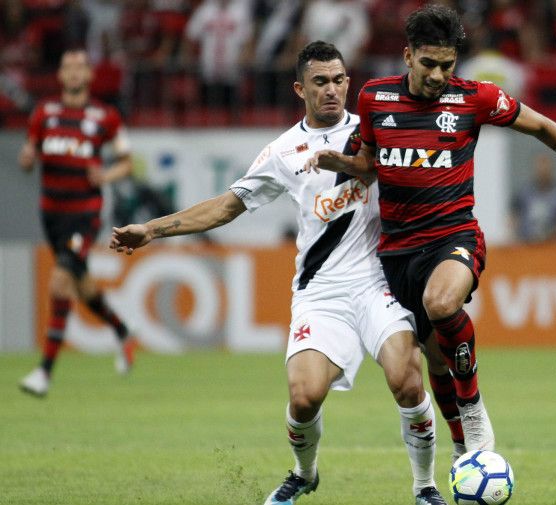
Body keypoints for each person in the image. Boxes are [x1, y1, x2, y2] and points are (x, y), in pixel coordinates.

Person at [109, 41, 447, 505]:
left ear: (350, 81)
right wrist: (151, 229)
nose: (332, 90)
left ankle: (425, 487)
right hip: (321, 292)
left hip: (378, 284)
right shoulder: (283, 151)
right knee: (304, 396)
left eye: (339, 80)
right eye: (320, 82)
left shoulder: (376, 130)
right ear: (299, 89)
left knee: (407, 378)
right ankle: (304, 474)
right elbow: (227, 207)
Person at [304, 4, 556, 460]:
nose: (438, 75)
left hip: (454, 235)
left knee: (442, 303)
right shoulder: (375, 99)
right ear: (407, 56)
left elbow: (544, 128)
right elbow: (369, 165)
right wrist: (341, 162)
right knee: (436, 361)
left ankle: (473, 408)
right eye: (429, 64)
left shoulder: (474, 98)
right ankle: (463, 449)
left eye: (447, 65)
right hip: (397, 253)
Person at [18, 48, 135, 398]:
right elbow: (29, 156)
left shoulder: (105, 116)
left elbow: (126, 163)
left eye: (79, 66)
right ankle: (122, 331)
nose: (72, 72)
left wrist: (106, 174)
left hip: (84, 212)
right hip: (51, 212)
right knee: (82, 286)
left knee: (60, 282)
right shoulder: (44, 113)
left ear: (88, 75)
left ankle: (44, 372)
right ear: (59, 75)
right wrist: (26, 159)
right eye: (66, 66)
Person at [510, 153, 556, 244]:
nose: (543, 169)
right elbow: (514, 218)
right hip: (527, 244)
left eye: (546, 165)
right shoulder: (523, 193)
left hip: (552, 245)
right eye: (540, 165)